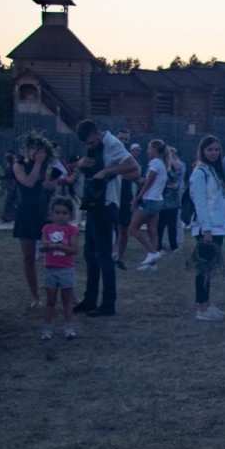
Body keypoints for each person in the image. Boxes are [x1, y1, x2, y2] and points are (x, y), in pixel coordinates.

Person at [73, 121, 141, 317]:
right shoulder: (98, 145)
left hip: (106, 204)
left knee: (104, 256)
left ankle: (108, 303)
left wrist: (106, 172)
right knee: (90, 254)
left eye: (91, 142)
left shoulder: (112, 143)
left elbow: (133, 167)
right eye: (86, 144)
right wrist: (80, 164)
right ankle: (90, 299)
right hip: (94, 202)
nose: (89, 146)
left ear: (98, 133)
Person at [188, 136, 225, 322]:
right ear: (202, 151)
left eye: (216, 150)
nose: (214, 153)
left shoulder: (214, 171)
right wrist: (206, 229)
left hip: (218, 226)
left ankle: (207, 303)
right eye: (210, 150)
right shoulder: (200, 173)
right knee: (203, 268)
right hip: (207, 228)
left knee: (209, 268)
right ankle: (202, 308)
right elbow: (200, 203)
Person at [11, 135, 52, 308]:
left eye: (39, 149)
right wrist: (37, 163)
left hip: (44, 212)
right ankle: (36, 296)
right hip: (26, 212)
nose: (36, 152)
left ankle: (63, 292)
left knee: (54, 253)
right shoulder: (19, 165)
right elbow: (28, 182)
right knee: (29, 257)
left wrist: (52, 187)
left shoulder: (48, 166)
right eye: (33, 148)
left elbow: (56, 187)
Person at [39, 197, 79, 341]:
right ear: (52, 213)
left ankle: (69, 328)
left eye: (64, 213)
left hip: (66, 270)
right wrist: (45, 246)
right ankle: (47, 329)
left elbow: (74, 250)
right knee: (50, 300)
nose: (60, 216)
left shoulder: (72, 230)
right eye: (57, 213)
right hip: (50, 269)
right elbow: (42, 246)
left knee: (67, 300)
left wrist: (59, 247)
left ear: (70, 214)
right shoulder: (47, 229)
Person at [130, 139, 169, 272]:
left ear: (155, 150)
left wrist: (137, 198)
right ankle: (153, 264)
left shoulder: (155, 163)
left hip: (150, 200)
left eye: (149, 148)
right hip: (157, 200)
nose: (147, 151)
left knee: (133, 228)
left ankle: (152, 252)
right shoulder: (161, 163)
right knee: (152, 232)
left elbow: (149, 183)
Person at [113, 129, 135, 270]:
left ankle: (119, 258)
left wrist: (116, 174)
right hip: (111, 194)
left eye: (126, 139)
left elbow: (135, 174)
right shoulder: (109, 154)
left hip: (125, 195)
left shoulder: (129, 157)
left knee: (123, 227)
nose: (123, 141)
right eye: (121, 138)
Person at [156, 145, 184, 254]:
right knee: (160, 225)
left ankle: (174, 246)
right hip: (161, 200)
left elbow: (178, 179)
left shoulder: (172, 167)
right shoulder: (157, 165)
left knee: (172, 225)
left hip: (173, 201)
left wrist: (177, 185)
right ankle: (159, 247)